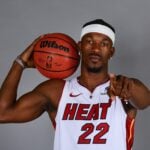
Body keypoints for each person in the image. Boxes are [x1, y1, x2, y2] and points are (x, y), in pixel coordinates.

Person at [0, 19, 149, 150]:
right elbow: (3, 113)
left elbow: (145, 101)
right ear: (79, 47)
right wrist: (19, 63)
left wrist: (129, 89)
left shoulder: (123, 86)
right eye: (89, 41)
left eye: (104, 44)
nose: (96, 49)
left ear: (111, 52)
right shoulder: (57, 91)